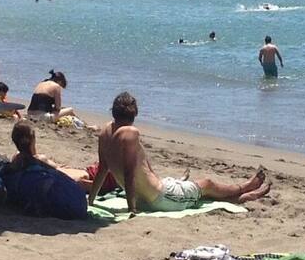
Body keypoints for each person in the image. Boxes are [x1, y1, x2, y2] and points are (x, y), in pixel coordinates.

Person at [93, 92, 270, 214]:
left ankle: (243, 194)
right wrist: (132, 210)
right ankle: (245, 189)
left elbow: (103, 169)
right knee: (207, 184)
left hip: (144, 199)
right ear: (134, 114)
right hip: (161, 199)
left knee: (195, 191)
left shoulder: (105, 132)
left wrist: (90, 201)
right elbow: (129, 173)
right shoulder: (130, 133)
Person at [7, 120, 92, 192]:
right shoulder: (39, 159)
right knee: (84, 175)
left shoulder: (16, 158)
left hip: (37, 181)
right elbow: (58, 172)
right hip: (56, 182)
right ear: (33, 141)